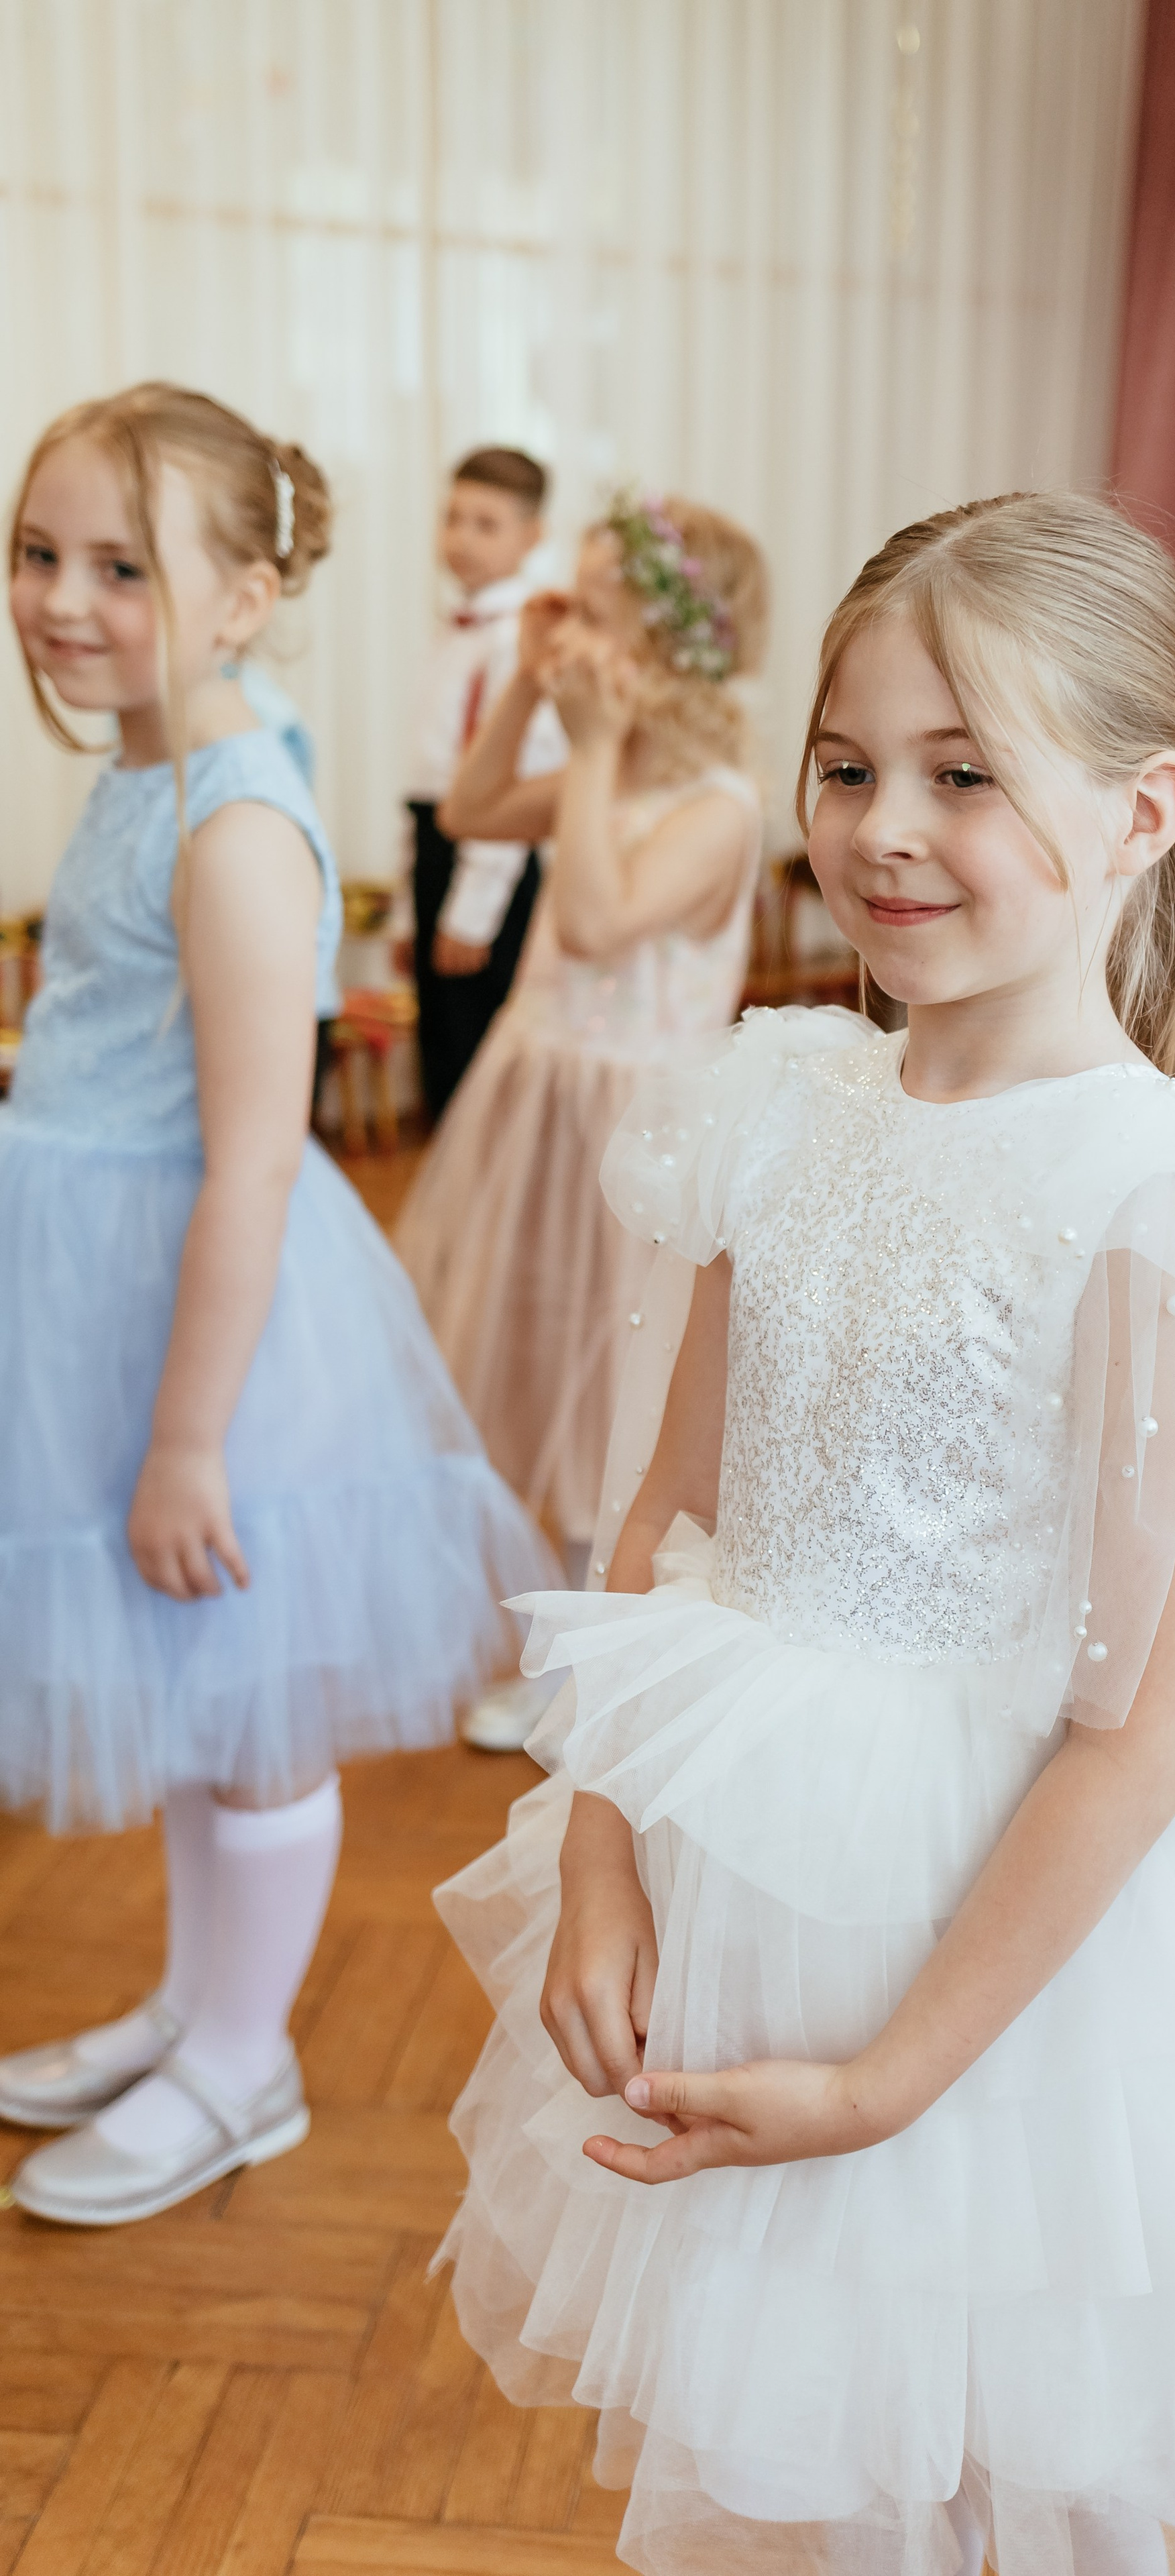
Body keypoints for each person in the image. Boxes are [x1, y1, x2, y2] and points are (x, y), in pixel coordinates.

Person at [431, 494, 1175, 2576]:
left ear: (1143, 811)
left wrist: (883, 2078)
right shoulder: (772, 1100)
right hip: (750, 1866)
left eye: (964, 775)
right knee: (815, 2450)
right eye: (850, 764)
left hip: (1026, 1969)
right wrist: (597, 1840)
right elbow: (649, 1521)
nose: (883, 825)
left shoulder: (1164, 1193)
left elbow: (1135, 1734)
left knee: (1021, 2469)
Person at [0, 383, 555, 2225]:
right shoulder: (147, 760)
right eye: (38, 553)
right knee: (193, 1692)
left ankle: (248, 2067)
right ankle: (193, 2003)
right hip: (100, 1293)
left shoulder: (233, 821)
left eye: (120, 567)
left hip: (213, 1328)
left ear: (241, 597)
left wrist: (185, 1438)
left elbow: (254, 1154)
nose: (63, 601)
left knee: (254, 1707)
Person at [394, 493, 767, 1751]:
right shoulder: (607, 764)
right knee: (539, 1358)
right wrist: (523, 689)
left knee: (621, 1383)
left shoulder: (713, 802)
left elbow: (603, 923)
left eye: (597, 617)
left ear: (671, 646)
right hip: (539, 1093)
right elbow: (466, 813)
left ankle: (592, 1651)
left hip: (638, 1130)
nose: (577, 639)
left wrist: (593, 747)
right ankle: (552, 1622)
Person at [393, 445, 562, 1122]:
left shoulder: (520, 638)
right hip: (439, 848)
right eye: (452, 518)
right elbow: (428, 783)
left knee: (476, 1069)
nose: (460, 538)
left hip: (490, 864)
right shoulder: (455, 627)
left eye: (485, 523)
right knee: (440, 1053)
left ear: (532, 536)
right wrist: (416, 910)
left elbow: (516, 783)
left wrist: (469, 913)